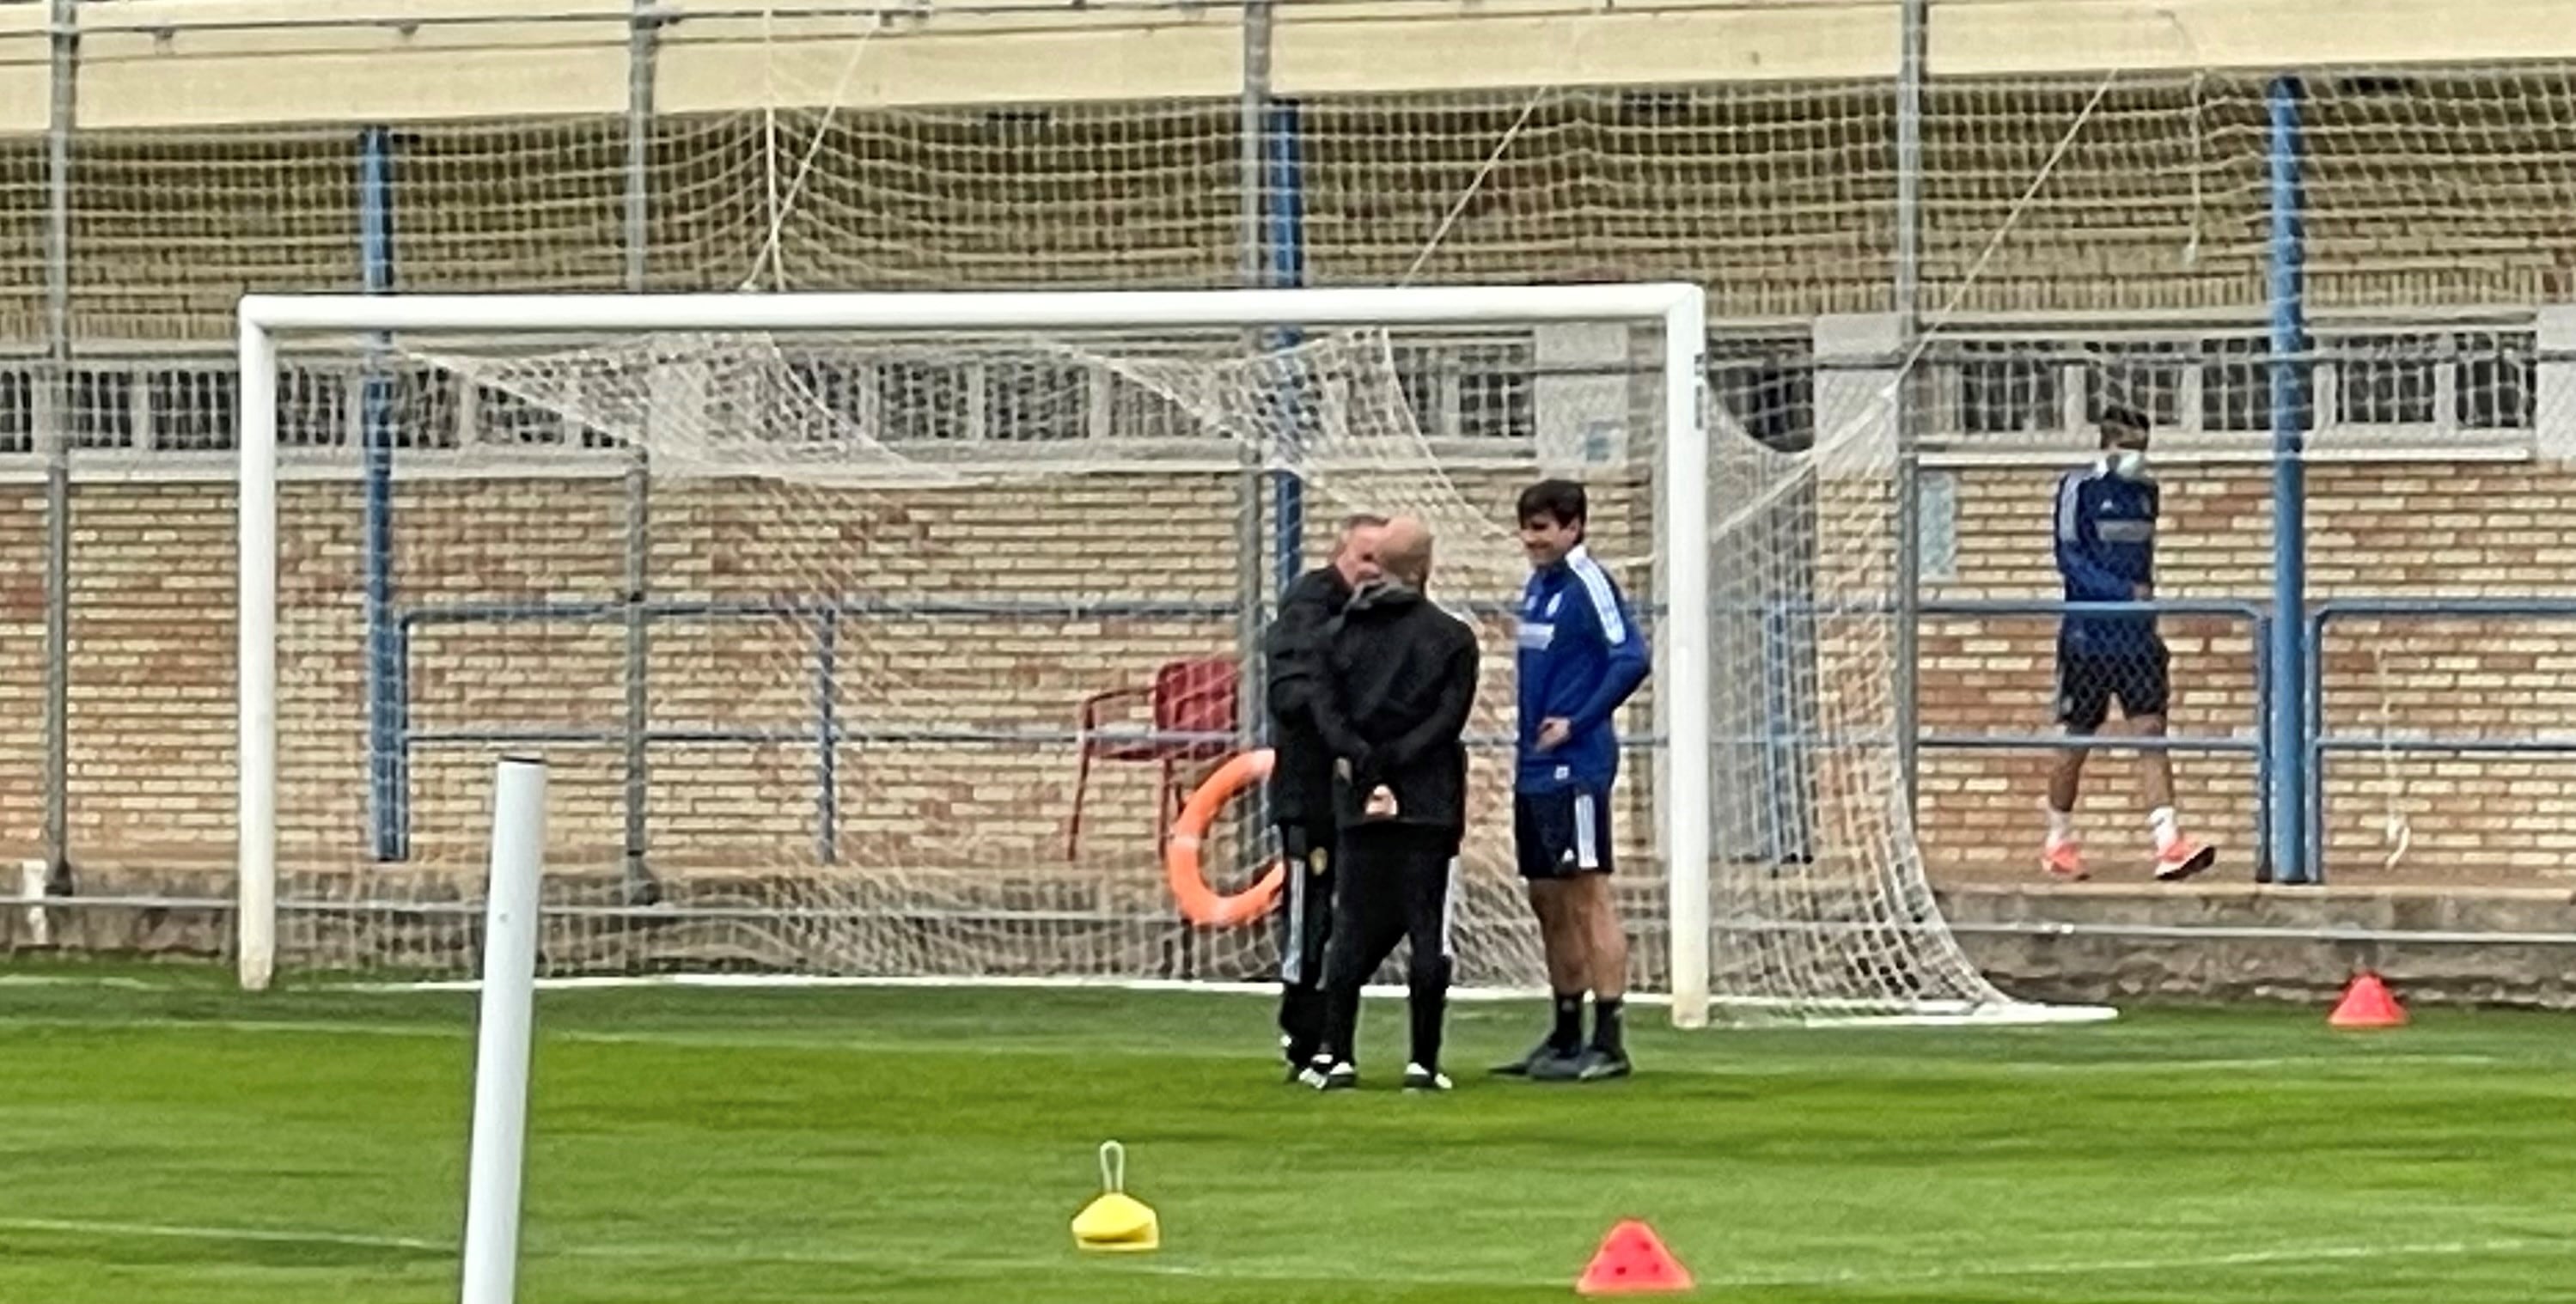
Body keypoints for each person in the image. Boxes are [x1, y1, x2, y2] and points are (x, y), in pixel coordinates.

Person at [1300, 515, 1480, 1093]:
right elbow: (1447, 720)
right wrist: (1400, 767)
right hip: (1428, 800)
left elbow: (1327, 717)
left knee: (1350, 924)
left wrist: (1368, 766)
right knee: (1428, 929)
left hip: (1357, 797)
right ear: (1426, 568)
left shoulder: (1336, 637)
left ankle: (1339, 1055)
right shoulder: (1452, 638)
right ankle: (1422, 1062)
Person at [1495, 479, 1649, 1084]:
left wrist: (1579, 720)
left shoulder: (1590, 584)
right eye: (1527, 527)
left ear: (1574, 528)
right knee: (1546, 898)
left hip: (1576, 766)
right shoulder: (1539, 588)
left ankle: (1609, 1041)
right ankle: (1564, 1033)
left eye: (1544, 527)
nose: (1533, 539)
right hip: (1533, 766)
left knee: (1587, 893)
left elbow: (1631, 657)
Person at [2043, 404, 2216, 883]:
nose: (2138, 456)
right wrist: (2120, 594)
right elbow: (2069, 558)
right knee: (2077, 741)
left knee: (2151, 732)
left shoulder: (2146, 493)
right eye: (2131, 447)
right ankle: (2057, 838)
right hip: (2089, 636)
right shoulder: (2078, 489)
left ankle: (2168, 843)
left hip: (2138, 637)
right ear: (2109, 442)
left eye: (2145, 447)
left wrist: (2144, 605)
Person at [1260, 512, 1387, 1077]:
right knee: (1309, 916)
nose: (1373, 571)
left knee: (1364, 914)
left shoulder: (1387, 615)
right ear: (1341, 554)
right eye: (1365, 558)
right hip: (1312, 793)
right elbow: (1290, 695)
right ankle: (1303, 1035)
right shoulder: (1309, 606)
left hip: (1363, 793)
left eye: (1383, 560)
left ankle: (1338, 1034)